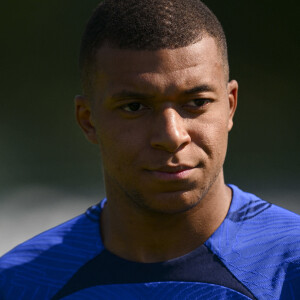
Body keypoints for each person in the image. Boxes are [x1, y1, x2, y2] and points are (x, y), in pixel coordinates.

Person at [0, 0, 299, 299]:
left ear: (230, 105)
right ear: (88, 120)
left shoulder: (291, 265)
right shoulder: (20, 283)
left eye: (196, 103)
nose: (172, 136)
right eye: (134, 107)